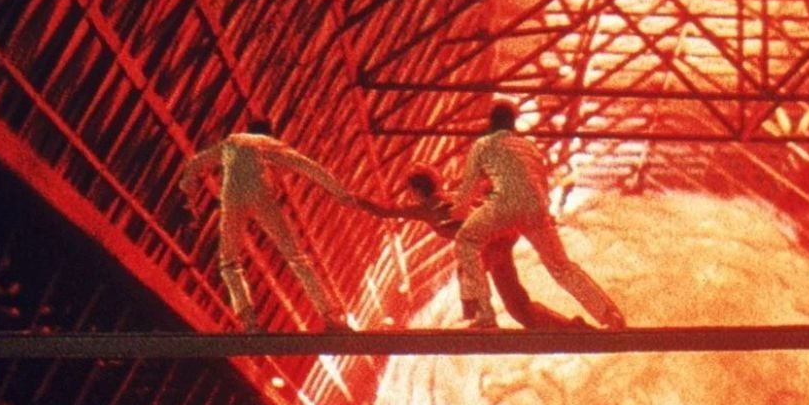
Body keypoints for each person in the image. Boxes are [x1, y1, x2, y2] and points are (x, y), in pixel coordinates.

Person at [451, 103, 626, 329]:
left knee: (466, 242)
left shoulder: (482, 145)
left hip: (505, 204)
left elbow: (468, 187)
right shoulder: (529, 147)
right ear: (513, 123)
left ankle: (484, 314)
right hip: (536, 208)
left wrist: (459, 210)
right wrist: (545, 215)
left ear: (491, 122)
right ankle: (609, 315)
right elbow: (542, 183)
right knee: (562, 267)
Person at [354, 165, 587, 329]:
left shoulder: (425, 208)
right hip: (500, 239)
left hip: (488, 243)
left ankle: (482, 318)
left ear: (416, 192)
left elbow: (383, 211)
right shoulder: (456, 197)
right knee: (518, 307)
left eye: (411, 193)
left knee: (466, 271)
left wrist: (352, 198)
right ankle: (571, 327)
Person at [179, 118, 352, 332]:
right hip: (262, 198)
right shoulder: (270, 145)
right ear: (269, 133)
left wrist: (189, 189)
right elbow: (310, 167)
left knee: (229, 262)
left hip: (231, 201)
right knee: (297, 258)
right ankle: (330, 317)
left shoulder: (230, 142)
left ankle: (249, 323)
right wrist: (341, 194)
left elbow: (195, 162)